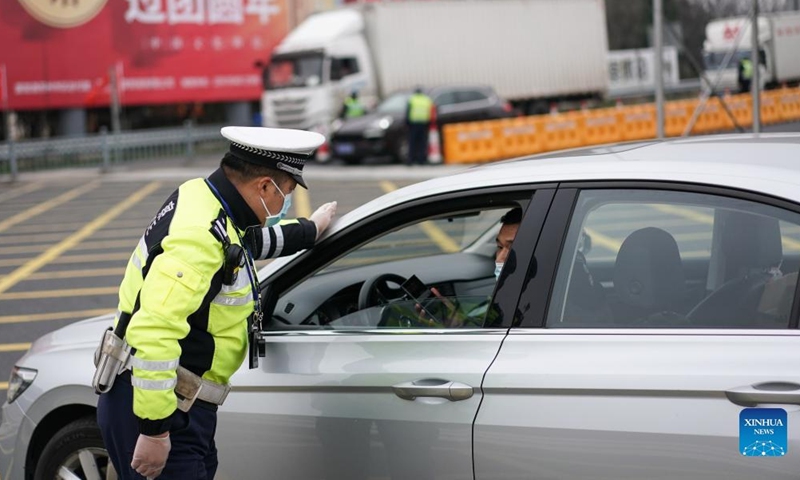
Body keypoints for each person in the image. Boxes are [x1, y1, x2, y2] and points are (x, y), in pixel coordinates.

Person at [95, 126, 338, 479]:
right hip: (156, 407)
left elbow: (240, 245)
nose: (284, 202)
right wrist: (154, 430)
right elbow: (154, 332)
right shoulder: (197, 239)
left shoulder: (204, 197)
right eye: (285, 193)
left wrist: (308, 231)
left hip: (180, 405)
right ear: (264, 187)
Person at [405, 87, 434, 165]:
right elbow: (431, 111)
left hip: (414, 124)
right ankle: (421, 160)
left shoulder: (412, 99)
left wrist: (407, 123)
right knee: (422, 143)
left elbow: (408, 112)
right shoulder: (426, 99)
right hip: (424, 123)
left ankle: (410, 160)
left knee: (412, 142)